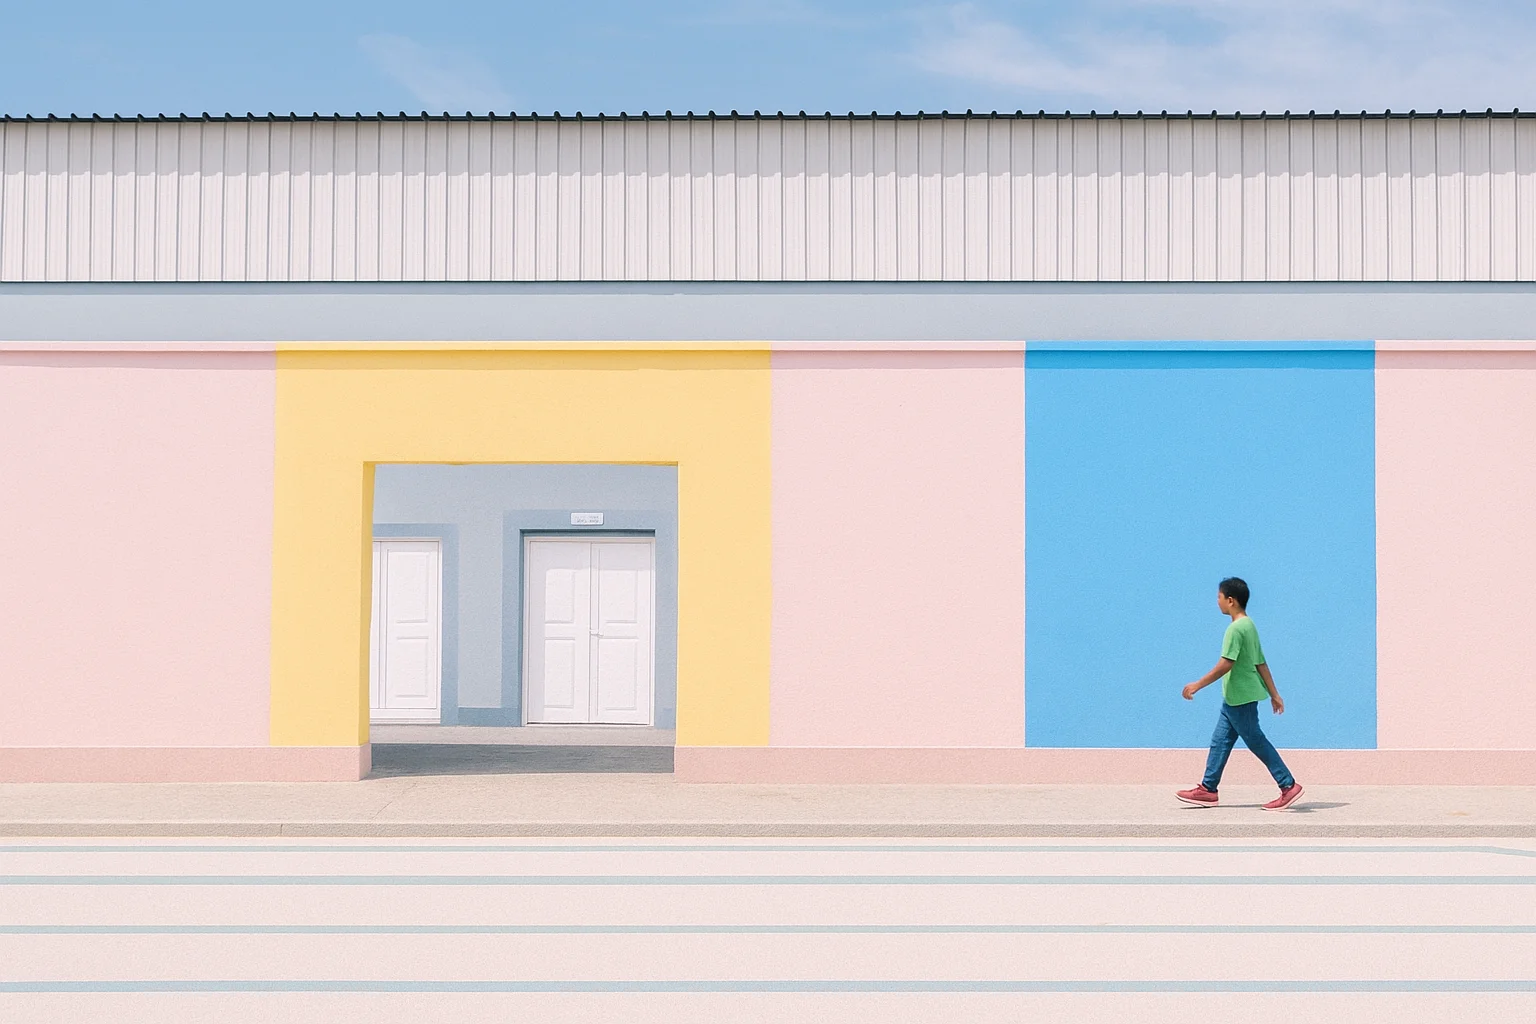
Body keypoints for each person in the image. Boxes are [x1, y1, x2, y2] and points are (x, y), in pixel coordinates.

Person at [1175, 577, 1304, 811]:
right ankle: (1208, 789)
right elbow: (1260, 662)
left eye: (1219, 597)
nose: (1217, 601)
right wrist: (1274, 694)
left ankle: (1288, 785)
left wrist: (1197, 685)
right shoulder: (1249, 625)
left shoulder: (1235, 629)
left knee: (1256, 741)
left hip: (1241, 698)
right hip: (1234, 698)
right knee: (1220, 742)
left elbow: (1226, 663)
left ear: (1231, 601)